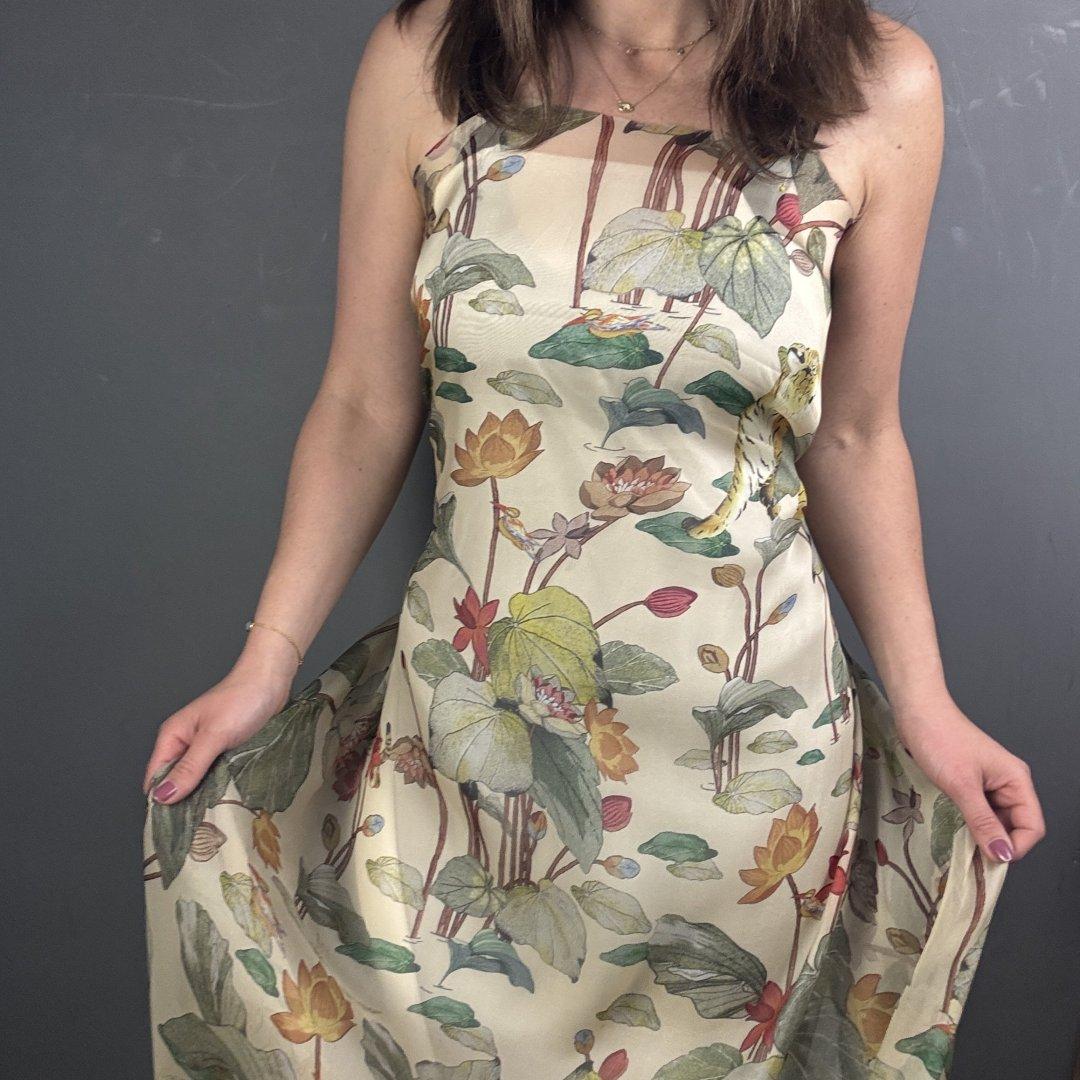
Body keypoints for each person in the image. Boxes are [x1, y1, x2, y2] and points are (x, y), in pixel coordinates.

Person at [141, 1, 1045, 1076]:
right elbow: (363, 404)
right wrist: (266, 660)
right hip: (469, 751)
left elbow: (853, 436)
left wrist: (926, 702)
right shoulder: (429, 55)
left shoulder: (879, 81)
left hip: (744, 779)